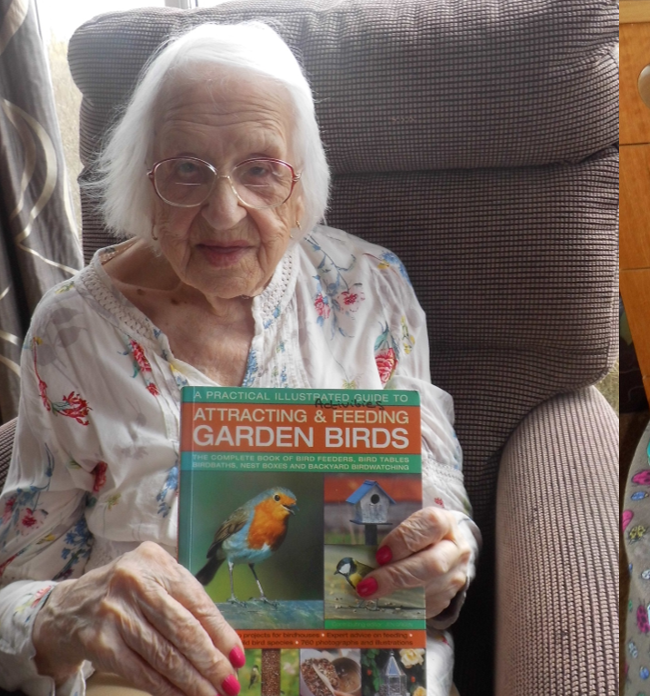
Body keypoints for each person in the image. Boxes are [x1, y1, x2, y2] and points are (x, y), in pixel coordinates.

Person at [0, 22, 478, 696]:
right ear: (143, 180)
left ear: (301, 182)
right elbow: (18, 586)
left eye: (260, 169)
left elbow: (440, 500)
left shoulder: (369, 288)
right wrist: (65, 615)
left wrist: (444, 558)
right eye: (186, 169)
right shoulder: (72, 332)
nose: (224, 213)